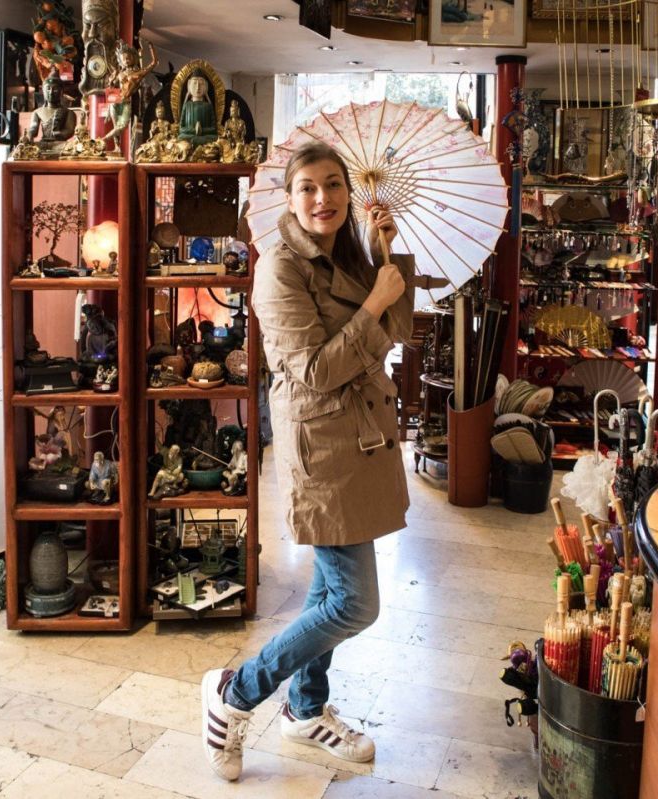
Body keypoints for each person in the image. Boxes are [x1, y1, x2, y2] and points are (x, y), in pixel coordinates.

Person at [200, 141, 415, 782]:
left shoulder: (347, 252)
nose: (322, 198)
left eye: (333, 185)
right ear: (289, 198)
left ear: (348, 192)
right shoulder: (279, 269)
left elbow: (396, 331)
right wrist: (373, 303)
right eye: (308, 188)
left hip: (362, 437)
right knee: (355, 603)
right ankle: (235, 693)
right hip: (322, 447)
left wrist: (384, 251)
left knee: (327, 588)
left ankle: (305, 708)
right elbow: (317, 371)